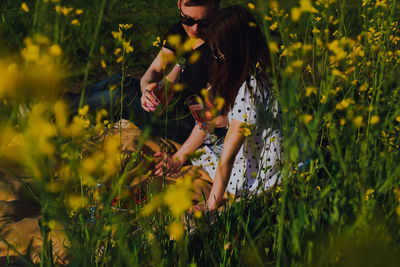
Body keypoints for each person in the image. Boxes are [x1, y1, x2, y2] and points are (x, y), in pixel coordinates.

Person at [155, 5, 282, 211]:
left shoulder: (249, 91)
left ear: (231, 51)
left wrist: (210, 205)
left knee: (217, 164)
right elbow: (220, 118)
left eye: (218, 51)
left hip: (263, 168)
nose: (215, 55)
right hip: (265, 150)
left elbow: (227, 160)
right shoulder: (262, 72)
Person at [67, 0, 225, 144]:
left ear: (216, 13)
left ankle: (58, 113)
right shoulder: (180, 31)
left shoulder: (220, 44)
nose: (195, 28)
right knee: (119, 80)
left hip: (188, 122)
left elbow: (216, 109)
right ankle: (65, 104)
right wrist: (147, 89)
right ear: (179, 6)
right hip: (168, 102)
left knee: (118, 97)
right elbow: (155, 69)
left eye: (204, 22)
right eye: (188, 20)